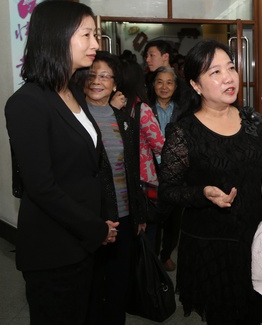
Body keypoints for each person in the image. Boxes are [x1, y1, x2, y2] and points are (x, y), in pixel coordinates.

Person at [158, 39, 262, 323]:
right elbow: (168, 190)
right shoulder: (183, 132)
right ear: (196, 85)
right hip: (211, 245)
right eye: (215, 72)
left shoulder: (251, 120)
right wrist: (203, 193)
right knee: (224, 316)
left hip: (255, 238)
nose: (228, 77)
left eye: (230, 68)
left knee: (254, 312)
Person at [4, 0, 119, 325]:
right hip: (53, 248)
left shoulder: (73, 93)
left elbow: (90, 167)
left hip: (85, 242)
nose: (95, 44)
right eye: (87, 35)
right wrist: (95, 228)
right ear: (57, 37)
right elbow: (42, 187)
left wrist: (103, 220)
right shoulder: (27, 103)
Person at [82, 51, 147, 325]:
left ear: (115, 83)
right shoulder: (75, 118)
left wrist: (139, 213)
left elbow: (132, 170)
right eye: (92, 75)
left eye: (105, 76)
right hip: (90, 217)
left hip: (123, 217)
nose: (97, 81)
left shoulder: (125, 121)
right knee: (91, 287)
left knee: (119, 284)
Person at [120, 59, 165, 250]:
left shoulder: (113, 107)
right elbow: (160, 146)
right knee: (150, 229)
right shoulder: (141, 109)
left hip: (121, 180)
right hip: (146, 181)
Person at [148, 66, 183, 270]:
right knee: (153, 216)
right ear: (153, 85)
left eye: (169, 82)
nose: (164, 86)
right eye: (159, 82)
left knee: (173, 218)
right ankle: (151, 257)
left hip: (175, 172)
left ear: (175, 86)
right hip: (151, 169)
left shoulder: (182, 111)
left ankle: (166, 254)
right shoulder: (144, 109)